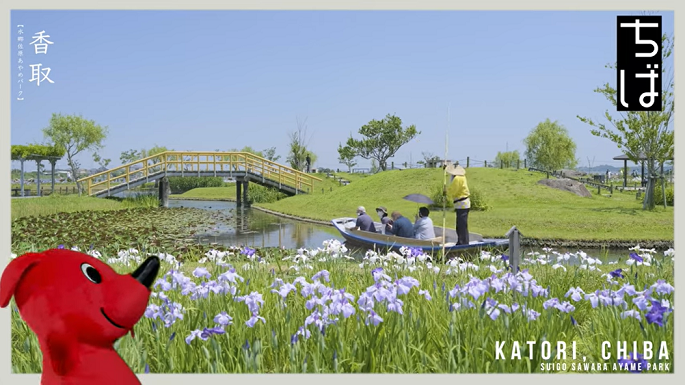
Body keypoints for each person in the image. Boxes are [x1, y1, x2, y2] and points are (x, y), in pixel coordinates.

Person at [445, 164, 470, 245]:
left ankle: (462, 242)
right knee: (461, 224)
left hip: (462, 204)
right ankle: (462, 241)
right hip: (462, 204)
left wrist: (446, 193)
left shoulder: (457, 179)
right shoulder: (462, 177)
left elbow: (453, 190)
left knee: (461, 225)